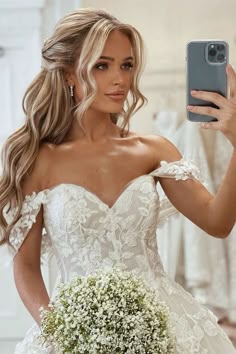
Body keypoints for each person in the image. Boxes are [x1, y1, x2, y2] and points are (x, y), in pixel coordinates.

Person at [0, 8, 236, 353]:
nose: (120, 79)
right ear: (68, 74)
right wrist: (64, 334)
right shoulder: (39, 160)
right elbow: (26, 268)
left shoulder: (152, 150)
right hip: (73, 334)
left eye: (126, 65)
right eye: (102, 65)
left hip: (164, 327)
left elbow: (218, 222)